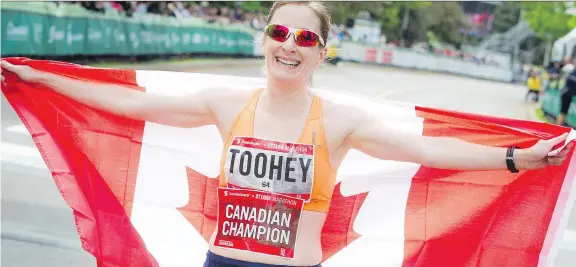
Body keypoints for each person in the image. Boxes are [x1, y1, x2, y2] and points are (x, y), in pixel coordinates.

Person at [1, 2, 573, 267]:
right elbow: (130, 102)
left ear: (323, 52)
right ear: (264, 40)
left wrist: (517, 160)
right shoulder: (227, 102)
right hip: (222, 263)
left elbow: (428, 150)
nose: (289, 46)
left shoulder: (340, 120)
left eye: (305, 39)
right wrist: (39, 78)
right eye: (280, 32)